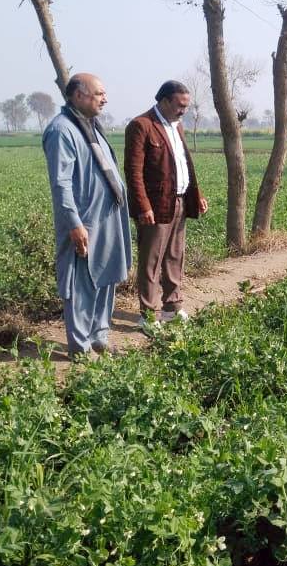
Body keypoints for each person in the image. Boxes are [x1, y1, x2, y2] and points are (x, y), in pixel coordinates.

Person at [42, 73, 132, 358]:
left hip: (107, 217)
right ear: (78, 95)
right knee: (82, 281)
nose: (104, 99)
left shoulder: (90, 126)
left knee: (106, 276)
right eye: (99, 94)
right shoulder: (62, 130)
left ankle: (99, 336)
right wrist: (74, 223)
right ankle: (80, 347)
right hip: (85, 221)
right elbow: (61, 183)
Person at [124, 80, 208, 327]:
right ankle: (148, 315)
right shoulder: (142, 126)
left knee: (174, 256)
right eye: (180, 105)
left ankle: (172, 307)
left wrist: (197, 194)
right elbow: (133, 171)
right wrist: (143, 206)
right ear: (164, 101)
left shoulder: (177, 126)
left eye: (186, 106)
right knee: (152, 260)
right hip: (155, 206)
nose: (184, 110)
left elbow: (183, 165)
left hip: (179, 201)